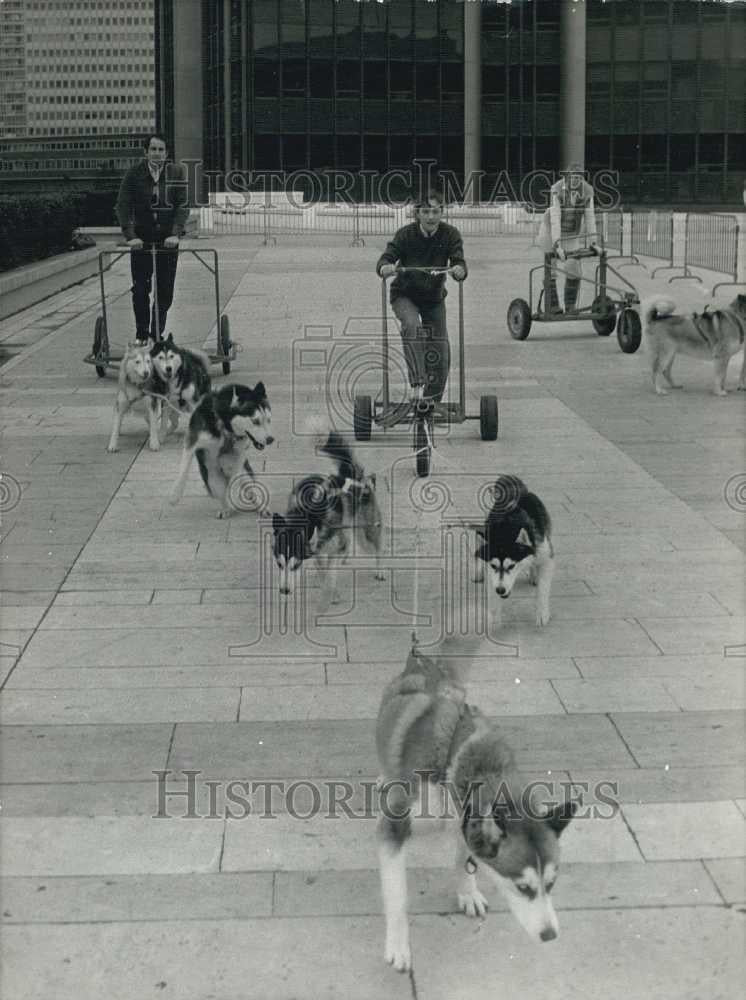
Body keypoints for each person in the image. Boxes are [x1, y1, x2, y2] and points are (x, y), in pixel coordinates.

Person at [376, 191, 467, 405]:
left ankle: (431, 400)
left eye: (435, 212)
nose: (431, 217)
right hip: (405, 295)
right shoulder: (405, 235)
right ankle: (417, 383)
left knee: (441, 349)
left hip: (433, 299)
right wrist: (384, 267)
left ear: (441, 213)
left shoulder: (450, 234)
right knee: (411, 326)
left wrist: (459, 269)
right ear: (417, 213)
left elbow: (459, 260)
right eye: (426, 211)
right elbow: (387, 257)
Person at [115, 133, 189, 343]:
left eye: (161, 150)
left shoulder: (176, 172)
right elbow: (122, 206)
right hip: (142, 242)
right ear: (146, 152)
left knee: (164, 290)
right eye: (153, 149)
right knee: (140, 289)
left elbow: (182, 206)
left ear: (167, 153)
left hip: (168, 241)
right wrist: (130, 235)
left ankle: (156, 334)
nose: (157, 153)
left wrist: (175, 233)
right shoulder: (134, 174)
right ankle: (141, 335)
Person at [538, 163, 599, 314]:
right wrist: (556, 245)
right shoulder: (557, 189)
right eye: (573, 177)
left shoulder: (587, 191)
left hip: (571, 233)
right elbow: (555, 217)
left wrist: (593, 243)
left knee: (574, 268)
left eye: (578, 177)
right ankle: (553, 306)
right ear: (567, 177)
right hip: (550, 231)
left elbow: (590, 217)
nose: (575, 180)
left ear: (582, 179)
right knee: (551, 267)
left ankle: (570, 306)